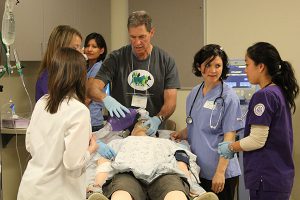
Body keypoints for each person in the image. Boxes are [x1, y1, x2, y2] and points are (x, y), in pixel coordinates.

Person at [218, 42, 299, 200]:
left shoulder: (264, 96)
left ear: (260, 67)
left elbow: (257, 140)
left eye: (247, 64)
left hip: (266, 178)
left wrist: (231, 147)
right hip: (278, 177)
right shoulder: (278, 91)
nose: (245, 70)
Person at [17, 47, 98, 200]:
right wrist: (91, 150)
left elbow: (29, 144)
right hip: (57, 193)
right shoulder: (79, 111)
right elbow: (73, 162)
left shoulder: (43, 102)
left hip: (30, 189)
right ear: (81, 76)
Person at [87, 10, 180, 136]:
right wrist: (105, 98)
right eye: (132, 37)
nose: (137, 43)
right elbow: (92, 88)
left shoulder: (165, 61)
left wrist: (158, 119)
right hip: (119, 131)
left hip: (150, 131)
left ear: (151, 32)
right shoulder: (116, 58)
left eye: (142, 37)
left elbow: (171, 102)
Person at [171, 44, 244, 200]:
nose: (213, 70)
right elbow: (195, 124)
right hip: (198, 171)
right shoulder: (194, 93)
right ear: (199, 67)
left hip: (220, 173)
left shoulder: (228, 97)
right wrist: (180, 134)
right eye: (208, 65)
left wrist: (220, 173)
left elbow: (229, 139)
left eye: (218, 66)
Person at [88, 120, 219, 200]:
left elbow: (182, 159)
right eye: (139, 124)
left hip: (163, 172)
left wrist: (193, 186)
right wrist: (98, 187)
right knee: (121, 192)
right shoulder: (119, 142)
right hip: (127, 172)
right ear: (131, 131)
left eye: (146, 124)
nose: (142, 126)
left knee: (175, 191)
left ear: (155, 132)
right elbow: (103, 162)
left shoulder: (166, 142)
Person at [35, 25, 83, 102]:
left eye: (79, 47)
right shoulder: (48, 78)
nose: (80, 52)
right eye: (75, 48)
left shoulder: (66, 77)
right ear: (60, 49)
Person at [84, 32, 108, 132]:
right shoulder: (87, 67)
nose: (89, 49)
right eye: (87, 46)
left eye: (94, 46)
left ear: (101, 50)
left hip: (92, 121)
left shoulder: (98, 67)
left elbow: (87, 97)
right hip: (89, 120)